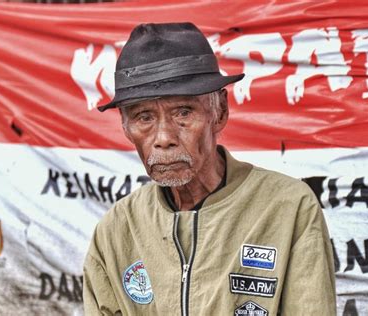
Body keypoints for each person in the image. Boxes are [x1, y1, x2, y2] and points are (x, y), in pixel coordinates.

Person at [83, 22, 336, 316]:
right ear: (126, 128)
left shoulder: (288, 208)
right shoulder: (117, 229)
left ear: (220, 112)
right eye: (144, 117)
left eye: (183, 112)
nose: (164, 138)